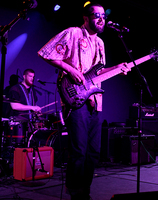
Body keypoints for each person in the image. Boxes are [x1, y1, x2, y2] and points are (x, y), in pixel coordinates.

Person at [38, 2, 129, 199]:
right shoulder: (73, 33)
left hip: (95, 101)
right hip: (75, 99)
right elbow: (46, 53)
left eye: (103, 15)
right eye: (96, 15)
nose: (101, 19)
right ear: (86, 18)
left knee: (94, 152)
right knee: (78, 150)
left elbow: (98, 72)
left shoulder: (101, 43)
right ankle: (74, 190)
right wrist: (70, 69)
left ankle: (84, 190)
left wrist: (117, 69)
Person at [6, 69, 42, 146]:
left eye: (33, 76)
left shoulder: (33, 91)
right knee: (19, 147)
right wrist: (32, 107)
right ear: (24, 76)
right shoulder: (15, 89)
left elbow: (32, 106)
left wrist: (37, 112)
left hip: (29, 123)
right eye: (30, 76)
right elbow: (14, 106)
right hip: (18, 123)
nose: (32, 78)